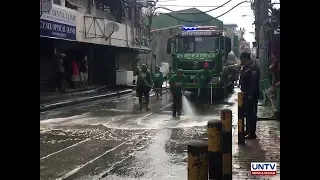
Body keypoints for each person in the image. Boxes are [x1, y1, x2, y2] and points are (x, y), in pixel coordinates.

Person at [239, 52, 260, 139]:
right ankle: (248, 131)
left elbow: (253, 83)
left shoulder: (253, 68)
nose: (241, 61)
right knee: (247, 114)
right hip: (246, 94)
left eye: (242, 60)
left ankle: (252, 133)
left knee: (251, 114)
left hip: (251, 95)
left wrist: (250, 94)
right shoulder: (246, 67)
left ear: (245, 59)